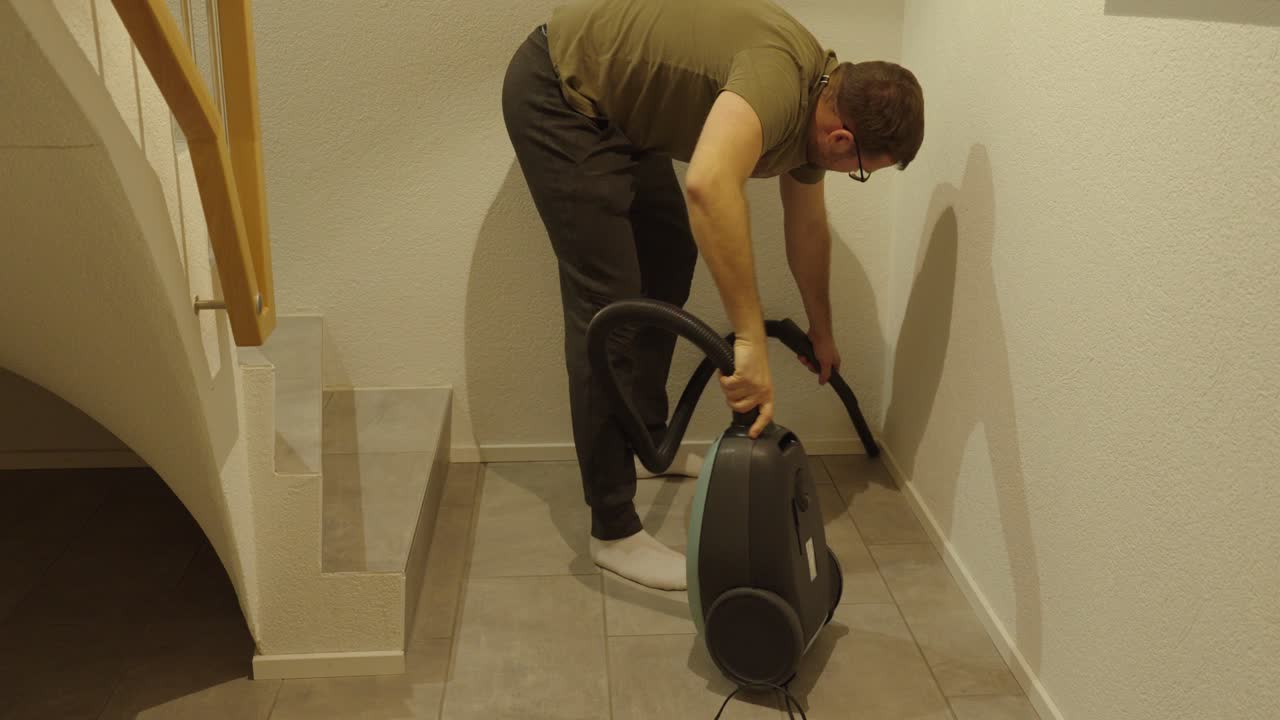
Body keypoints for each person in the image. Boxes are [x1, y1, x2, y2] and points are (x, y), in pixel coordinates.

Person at [501, 0, 924, 591]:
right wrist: (749, 339)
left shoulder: (820, 99)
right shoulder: (781, 88)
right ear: (841, 136)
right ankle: (613, 531)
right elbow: (707, 183)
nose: (852, 175)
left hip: (619, 112)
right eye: (861, 169)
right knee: (610, 311)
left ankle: (649, 441)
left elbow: (805, 227)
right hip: (562, 95)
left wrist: (822, 328)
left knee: (670, 252)